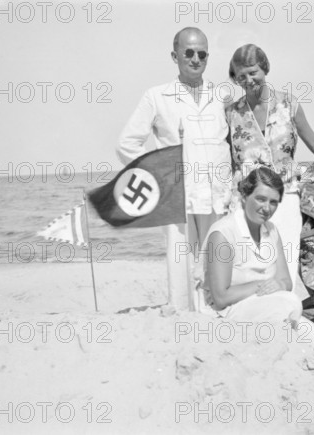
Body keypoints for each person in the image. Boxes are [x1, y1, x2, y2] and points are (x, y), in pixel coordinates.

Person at [116, 27, 231, 311]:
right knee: (180, 261)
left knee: (216, 257)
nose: (195, 59)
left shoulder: (222, 97)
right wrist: (157, 177)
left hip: (219, 195)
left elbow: (233, 142)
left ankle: (216, 312)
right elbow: (127, 143)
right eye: (188, 52)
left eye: (202, 53)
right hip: (177, 197)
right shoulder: (156, 96)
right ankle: (183, 316)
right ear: (175, 55)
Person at [225, 43, 314, 293]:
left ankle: (282, 309)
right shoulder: (231, 113)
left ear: (264, 68)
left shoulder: (288, 103)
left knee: (285, 260)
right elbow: (221, 155)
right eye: (241, 75)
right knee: (249, 261)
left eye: (253, 72)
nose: (248, 79)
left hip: (285, 195)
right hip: (246, 198)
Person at [198, 167, 314, 348]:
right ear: (244, 196)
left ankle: (282, 345)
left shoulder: (271, 230)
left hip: (263, 305)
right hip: (225, 313)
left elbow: (286, 282)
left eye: (273, 202)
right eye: (260, 199)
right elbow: (221, 297)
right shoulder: (224, 233)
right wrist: (261, 286)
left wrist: (278, 285)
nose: (267, 208)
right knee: (290, 303)